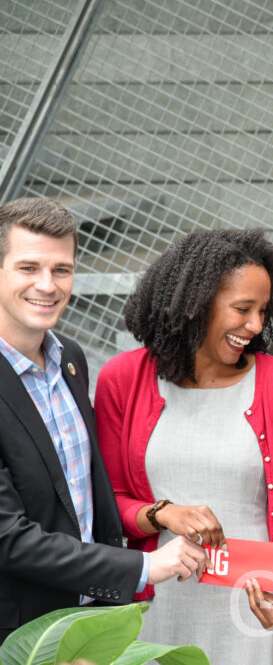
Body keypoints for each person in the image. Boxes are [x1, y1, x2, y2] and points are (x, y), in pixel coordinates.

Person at [94, 228, 273, 662]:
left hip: (252, 619)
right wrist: (164, 513)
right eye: (242, 309)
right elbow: (110, 505)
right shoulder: (122, 379)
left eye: (263, 310)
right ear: (197, 305)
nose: (255, 325)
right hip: (157, 616)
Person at [0, 197, 207, 642]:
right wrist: (145, 567)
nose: (47, 285)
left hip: (89, 624)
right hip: (20, 637)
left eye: (62, 269)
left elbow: (83, 500)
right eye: (28, 268)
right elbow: (7, 537)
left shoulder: (69, 360)